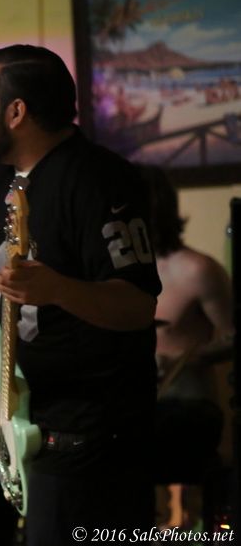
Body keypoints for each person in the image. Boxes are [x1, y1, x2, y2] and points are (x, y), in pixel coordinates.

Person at [0, 45, 161, 545]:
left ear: (16, 111)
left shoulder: (99, 179)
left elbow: (138, 305)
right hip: (16, 428)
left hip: (90, 441)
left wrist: (60, 290)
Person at [137, 164, 233, 528]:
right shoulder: (113, 274)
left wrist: (179, 358)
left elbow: (233, 336)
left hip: (185, 406)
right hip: (134, 406)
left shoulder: (196, 269)